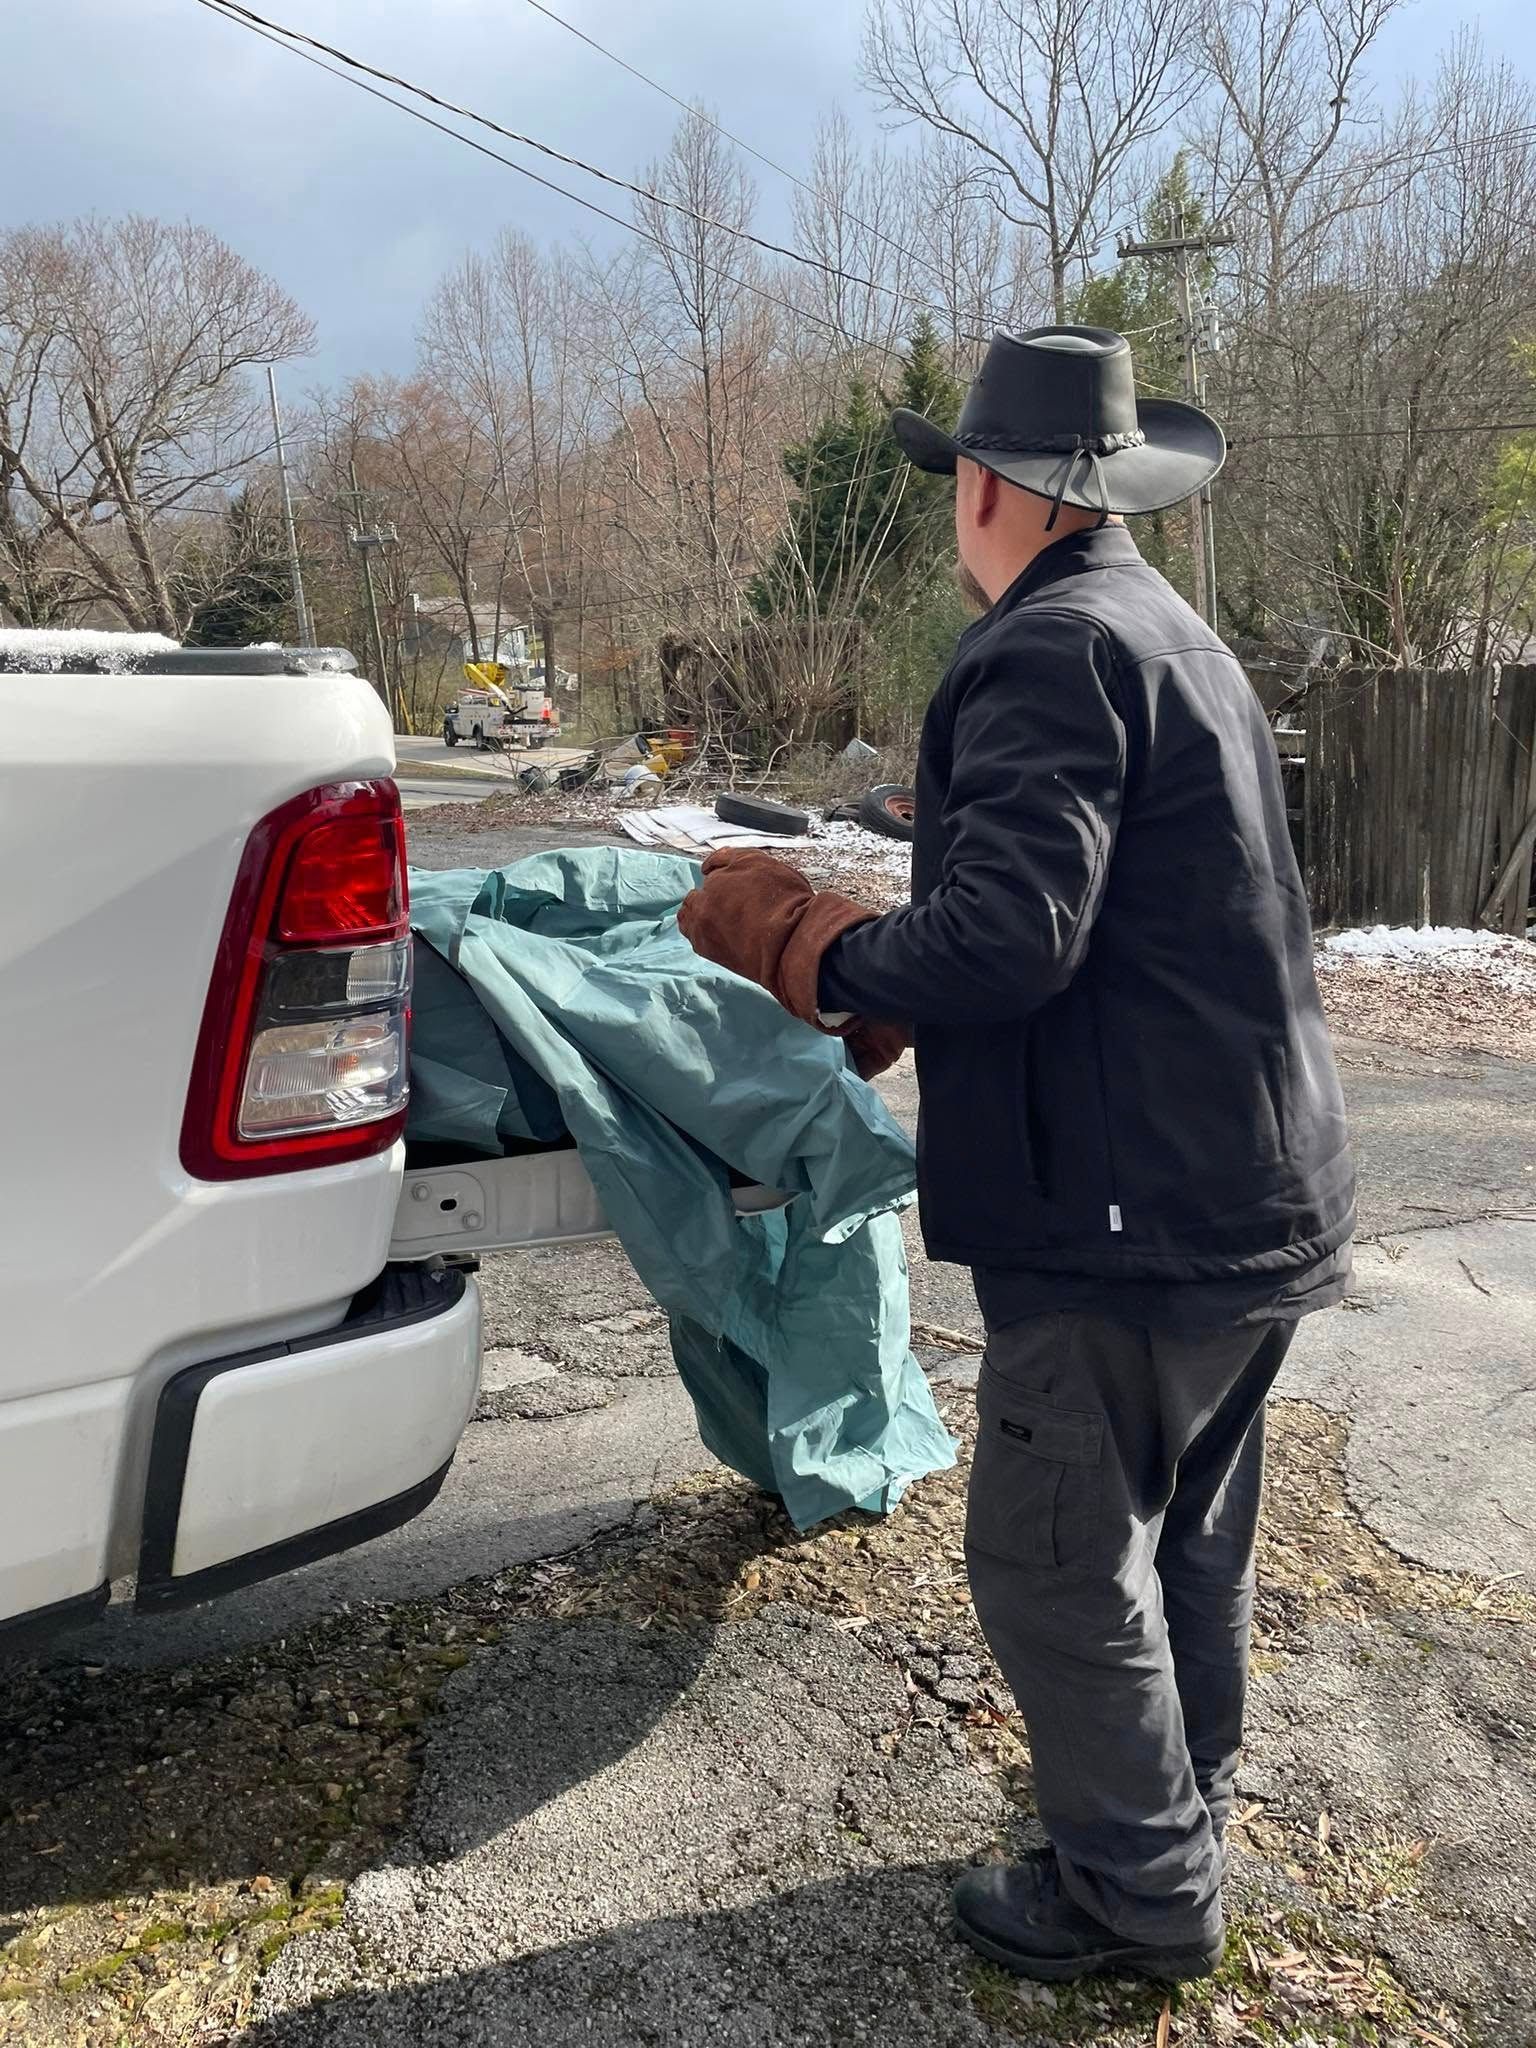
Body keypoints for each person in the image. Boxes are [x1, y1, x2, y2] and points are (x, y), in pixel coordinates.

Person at [677, 324, 1354, 1987]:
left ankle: (1137, 1899)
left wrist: (820, 954)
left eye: (953, 487)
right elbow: (1102, 920)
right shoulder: (1168, 632)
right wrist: (917, 960)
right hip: (1246, 1193)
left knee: (1052, 1561)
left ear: (988, 487)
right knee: (1186, 1532)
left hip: (1128, 1219)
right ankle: (1173, 1806)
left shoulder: (1048, 649)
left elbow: (1012, 938)